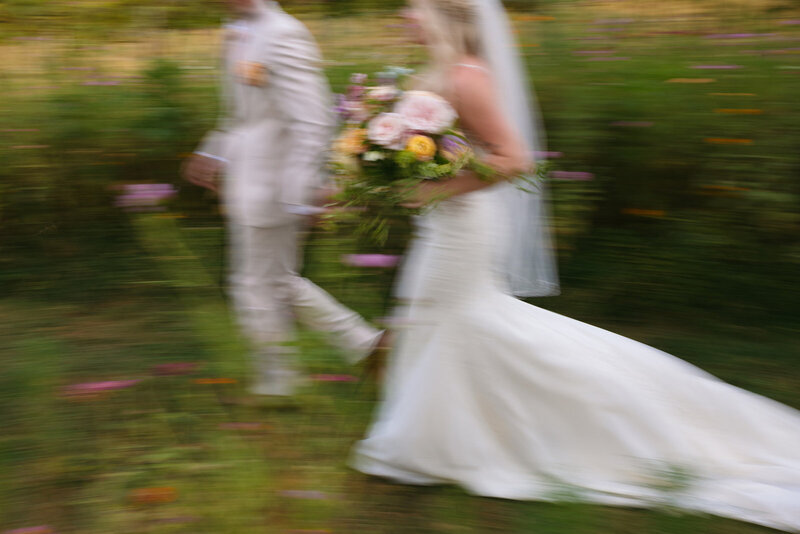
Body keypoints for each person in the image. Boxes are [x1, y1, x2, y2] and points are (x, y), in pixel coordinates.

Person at [350, 0, 800, 531]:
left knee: (459, 320)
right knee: (437, 318)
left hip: (464, 227)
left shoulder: (469, 77)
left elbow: (515, 159)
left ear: (445, 13)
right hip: (445, 223)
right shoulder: (436, 73)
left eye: (414, 6)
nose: (405, 15)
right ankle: (442, 435)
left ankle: (479, 436)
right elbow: (449, 150)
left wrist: (435, 186)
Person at [183, 0, 383, 397]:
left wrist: (304, 191)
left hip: (277, 183)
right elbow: (241, 116)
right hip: (248, 180)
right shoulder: (238, 30)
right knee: (267, 282)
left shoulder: (283, 33)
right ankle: (360, 348)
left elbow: (313, 119)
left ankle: (284, 383)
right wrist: (214, 151)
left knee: (258, 283)